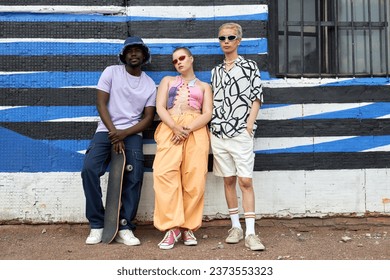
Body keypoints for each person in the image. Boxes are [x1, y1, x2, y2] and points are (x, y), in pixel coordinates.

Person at [81, 36, 156, 246]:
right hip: (106, 129)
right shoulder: (111, 72)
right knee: (89, 169)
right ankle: (97, 223)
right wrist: (114, 133)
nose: (133, 53)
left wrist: (123, 134)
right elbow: (101, 104)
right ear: (123, 55)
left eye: (138, 50)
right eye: (129, 50)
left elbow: (148, 118)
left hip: (132, 133)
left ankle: (124, 226)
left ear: (144, 55)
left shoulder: (150, 85)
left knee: (134, 177)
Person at [210, 23, 265, 251]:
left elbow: (257, 96)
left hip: (241, 132)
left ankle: (251, 233)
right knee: (228, 179)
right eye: (222, 38)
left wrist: (249, 125)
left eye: (231, 37)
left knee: (245, 180)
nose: (226, 41)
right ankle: (235, 227)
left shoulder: (250, 66)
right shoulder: (215, 72)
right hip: (219, 133)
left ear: (239, 40)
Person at [152, 47, 212, 250]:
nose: (178, 62)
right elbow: (160, 107)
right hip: (170, 128)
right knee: (164, 174)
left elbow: (208, 113)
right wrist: (176, 128)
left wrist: (187, 129)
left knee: (194, 178)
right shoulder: (168, 81)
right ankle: (172, 227)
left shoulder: (204, 86)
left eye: (182, 58)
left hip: (196, 130)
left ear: (191, 59)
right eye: (175, 60)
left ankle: (188, 228)